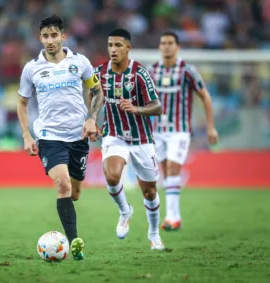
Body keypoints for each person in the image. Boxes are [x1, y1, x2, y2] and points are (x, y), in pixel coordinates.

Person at [16, 15, 104, 260]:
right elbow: (22, 104)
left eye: (54, 35)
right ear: (40, 39)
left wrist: (92, 119)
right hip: (48, 136)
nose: (50, 40)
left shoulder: (81, 62)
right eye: (45, 36)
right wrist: (26, 135)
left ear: (63, 37)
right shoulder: (32, 68)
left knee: (75, 192)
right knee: (63, 184)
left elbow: (97, 91)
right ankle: (75, 244)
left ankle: (71, 230)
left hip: (78, 137)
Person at [90, 28, 164, 250]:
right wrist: (91, 119)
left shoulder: (140, 73)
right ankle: (125, 211)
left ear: (128, 48)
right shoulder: (99, 72)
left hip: (142, 139)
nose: (113, 49)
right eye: (110, 45)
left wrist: (136, 108)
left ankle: (153, 234)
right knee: (112, 177)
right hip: (114, 135)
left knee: (149, 191)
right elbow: (91, 92)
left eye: (118, 45)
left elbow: (157, 107)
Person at [148, 31, 219, 231]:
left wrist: (211, 126)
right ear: (159, 47)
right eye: (163, 43)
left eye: (170, 43)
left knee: (172, 168)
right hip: (157, 131)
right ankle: (174, 216)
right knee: (164, 172)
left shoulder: (187, 70)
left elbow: (205, 96)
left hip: (179, 130)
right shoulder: (152, 71)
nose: (167, 46)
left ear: (177, 47)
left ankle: (172, 217)